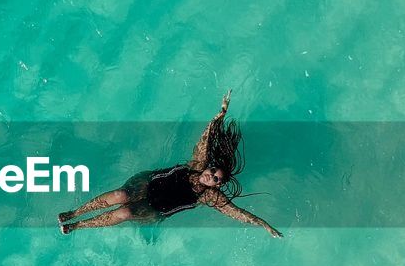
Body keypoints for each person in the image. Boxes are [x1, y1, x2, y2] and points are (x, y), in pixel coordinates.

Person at [58, 90, 283, 237]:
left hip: (156, 209)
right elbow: (206, 136)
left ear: (217, 186)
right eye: (213, 170)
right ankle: (74, 212)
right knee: (120, 196)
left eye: (216, 179)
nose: (211, 175)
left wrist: (263, 225)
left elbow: (238, 213)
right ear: (210, 165)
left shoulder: (210, 197)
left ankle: (77, 226)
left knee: (125, 213)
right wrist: (220, 115)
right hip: (148, 183)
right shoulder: (198, 163)